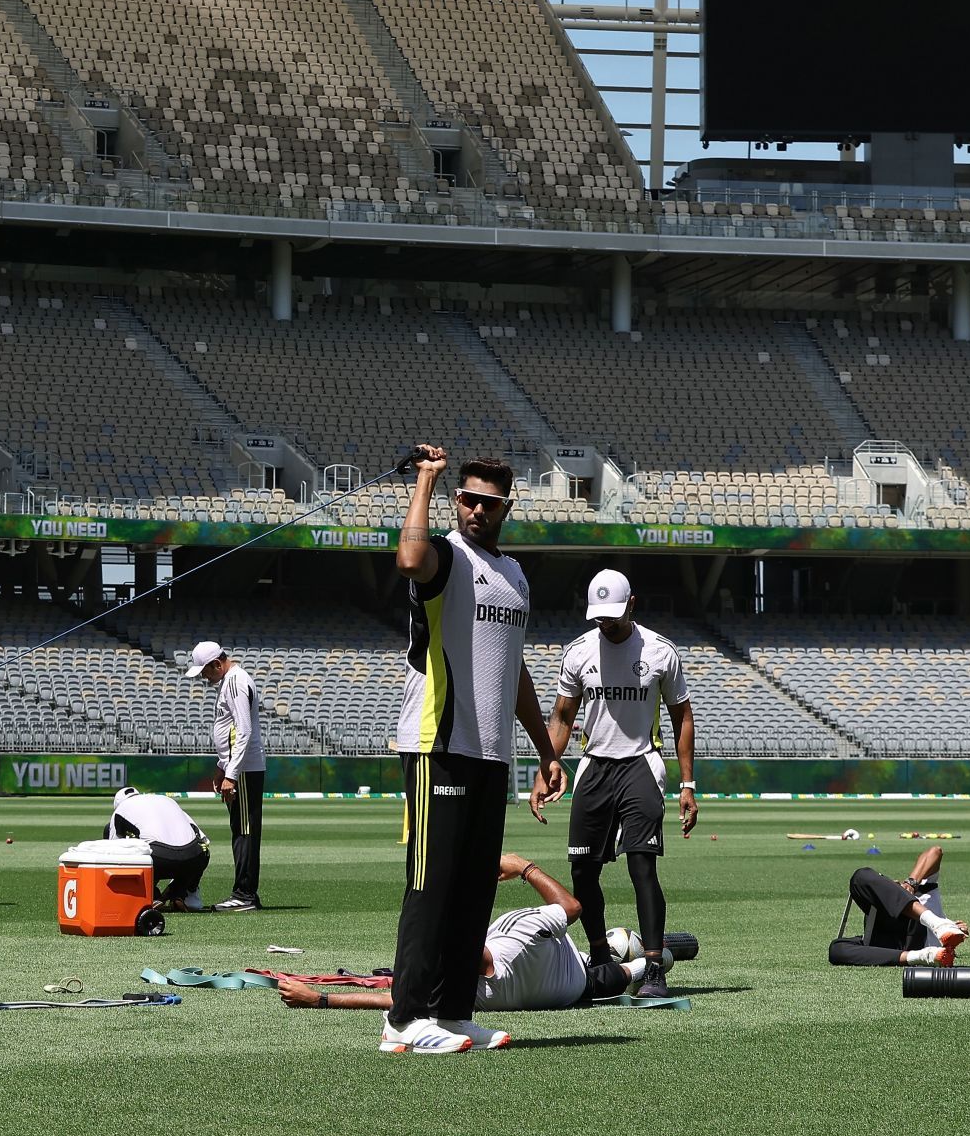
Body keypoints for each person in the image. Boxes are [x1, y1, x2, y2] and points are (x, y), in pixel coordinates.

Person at [386, 444, 564, 1054]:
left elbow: (514, 671)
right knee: (430, 888)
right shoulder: (447, 557)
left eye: (488, 502)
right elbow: (409, 558)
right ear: (456, 500)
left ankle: (455, 1012)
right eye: (467, 498)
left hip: (493, 756)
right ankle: (403, 1022)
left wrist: (545, 750)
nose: (476, 510)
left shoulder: (515, 576)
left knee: (472, 893)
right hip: (438, 745)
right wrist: (427, 482)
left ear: (505, 507)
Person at [531, 568, 696, 1002]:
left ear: (632, 606)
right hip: (594, 767)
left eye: (614, 615)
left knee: (642, 864)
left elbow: (682, 717)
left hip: (641, 764)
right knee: (582, 871)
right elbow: (563, 717)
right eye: (599, 616)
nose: (606, 622)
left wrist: (688, 784)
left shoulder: (661, 652)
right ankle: (601, 954)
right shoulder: (578, 653)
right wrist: (547, 764)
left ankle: (655, 966)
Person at [279, 854, 650, 1020]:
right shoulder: (517, 933)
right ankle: (648, 962)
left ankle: (642, 962)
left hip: (571, 980)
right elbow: (572, 907)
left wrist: (321, 1000)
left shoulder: (467, 991)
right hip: (576, 976)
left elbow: (393, 1001)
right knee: (630, 967)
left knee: (616, 971)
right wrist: (524, 866)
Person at [186, 640, 265, 912]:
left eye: (205, 671)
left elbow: (243, 731)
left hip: (243, 770)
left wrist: (231, 773)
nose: (204, 678)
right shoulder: (230, 681)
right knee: (241, 831)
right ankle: (244, 892)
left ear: (217, 664)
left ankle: (244, 895)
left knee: (245, 832)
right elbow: (231, 730)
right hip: (239, 768)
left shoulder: (234, 682)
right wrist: (222, 767)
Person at [828, 845, 969, 967]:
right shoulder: (902, 893)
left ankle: (934, 930)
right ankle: (922, 954)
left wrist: (910, 884)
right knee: (836, 948)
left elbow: (936, 851)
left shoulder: (922, 892)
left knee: (861, 876)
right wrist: (908, 885)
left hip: (920, 934)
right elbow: (934, 852)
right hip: (891, 946)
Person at [106, 785, 210, 912]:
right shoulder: (165, 800)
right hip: (193, 858)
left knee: (129, 852)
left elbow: (113, 850)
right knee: (203, 851)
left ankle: (151, 896)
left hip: (159, 861)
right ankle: (184, 895)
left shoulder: (121, 809)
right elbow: (204, 840)